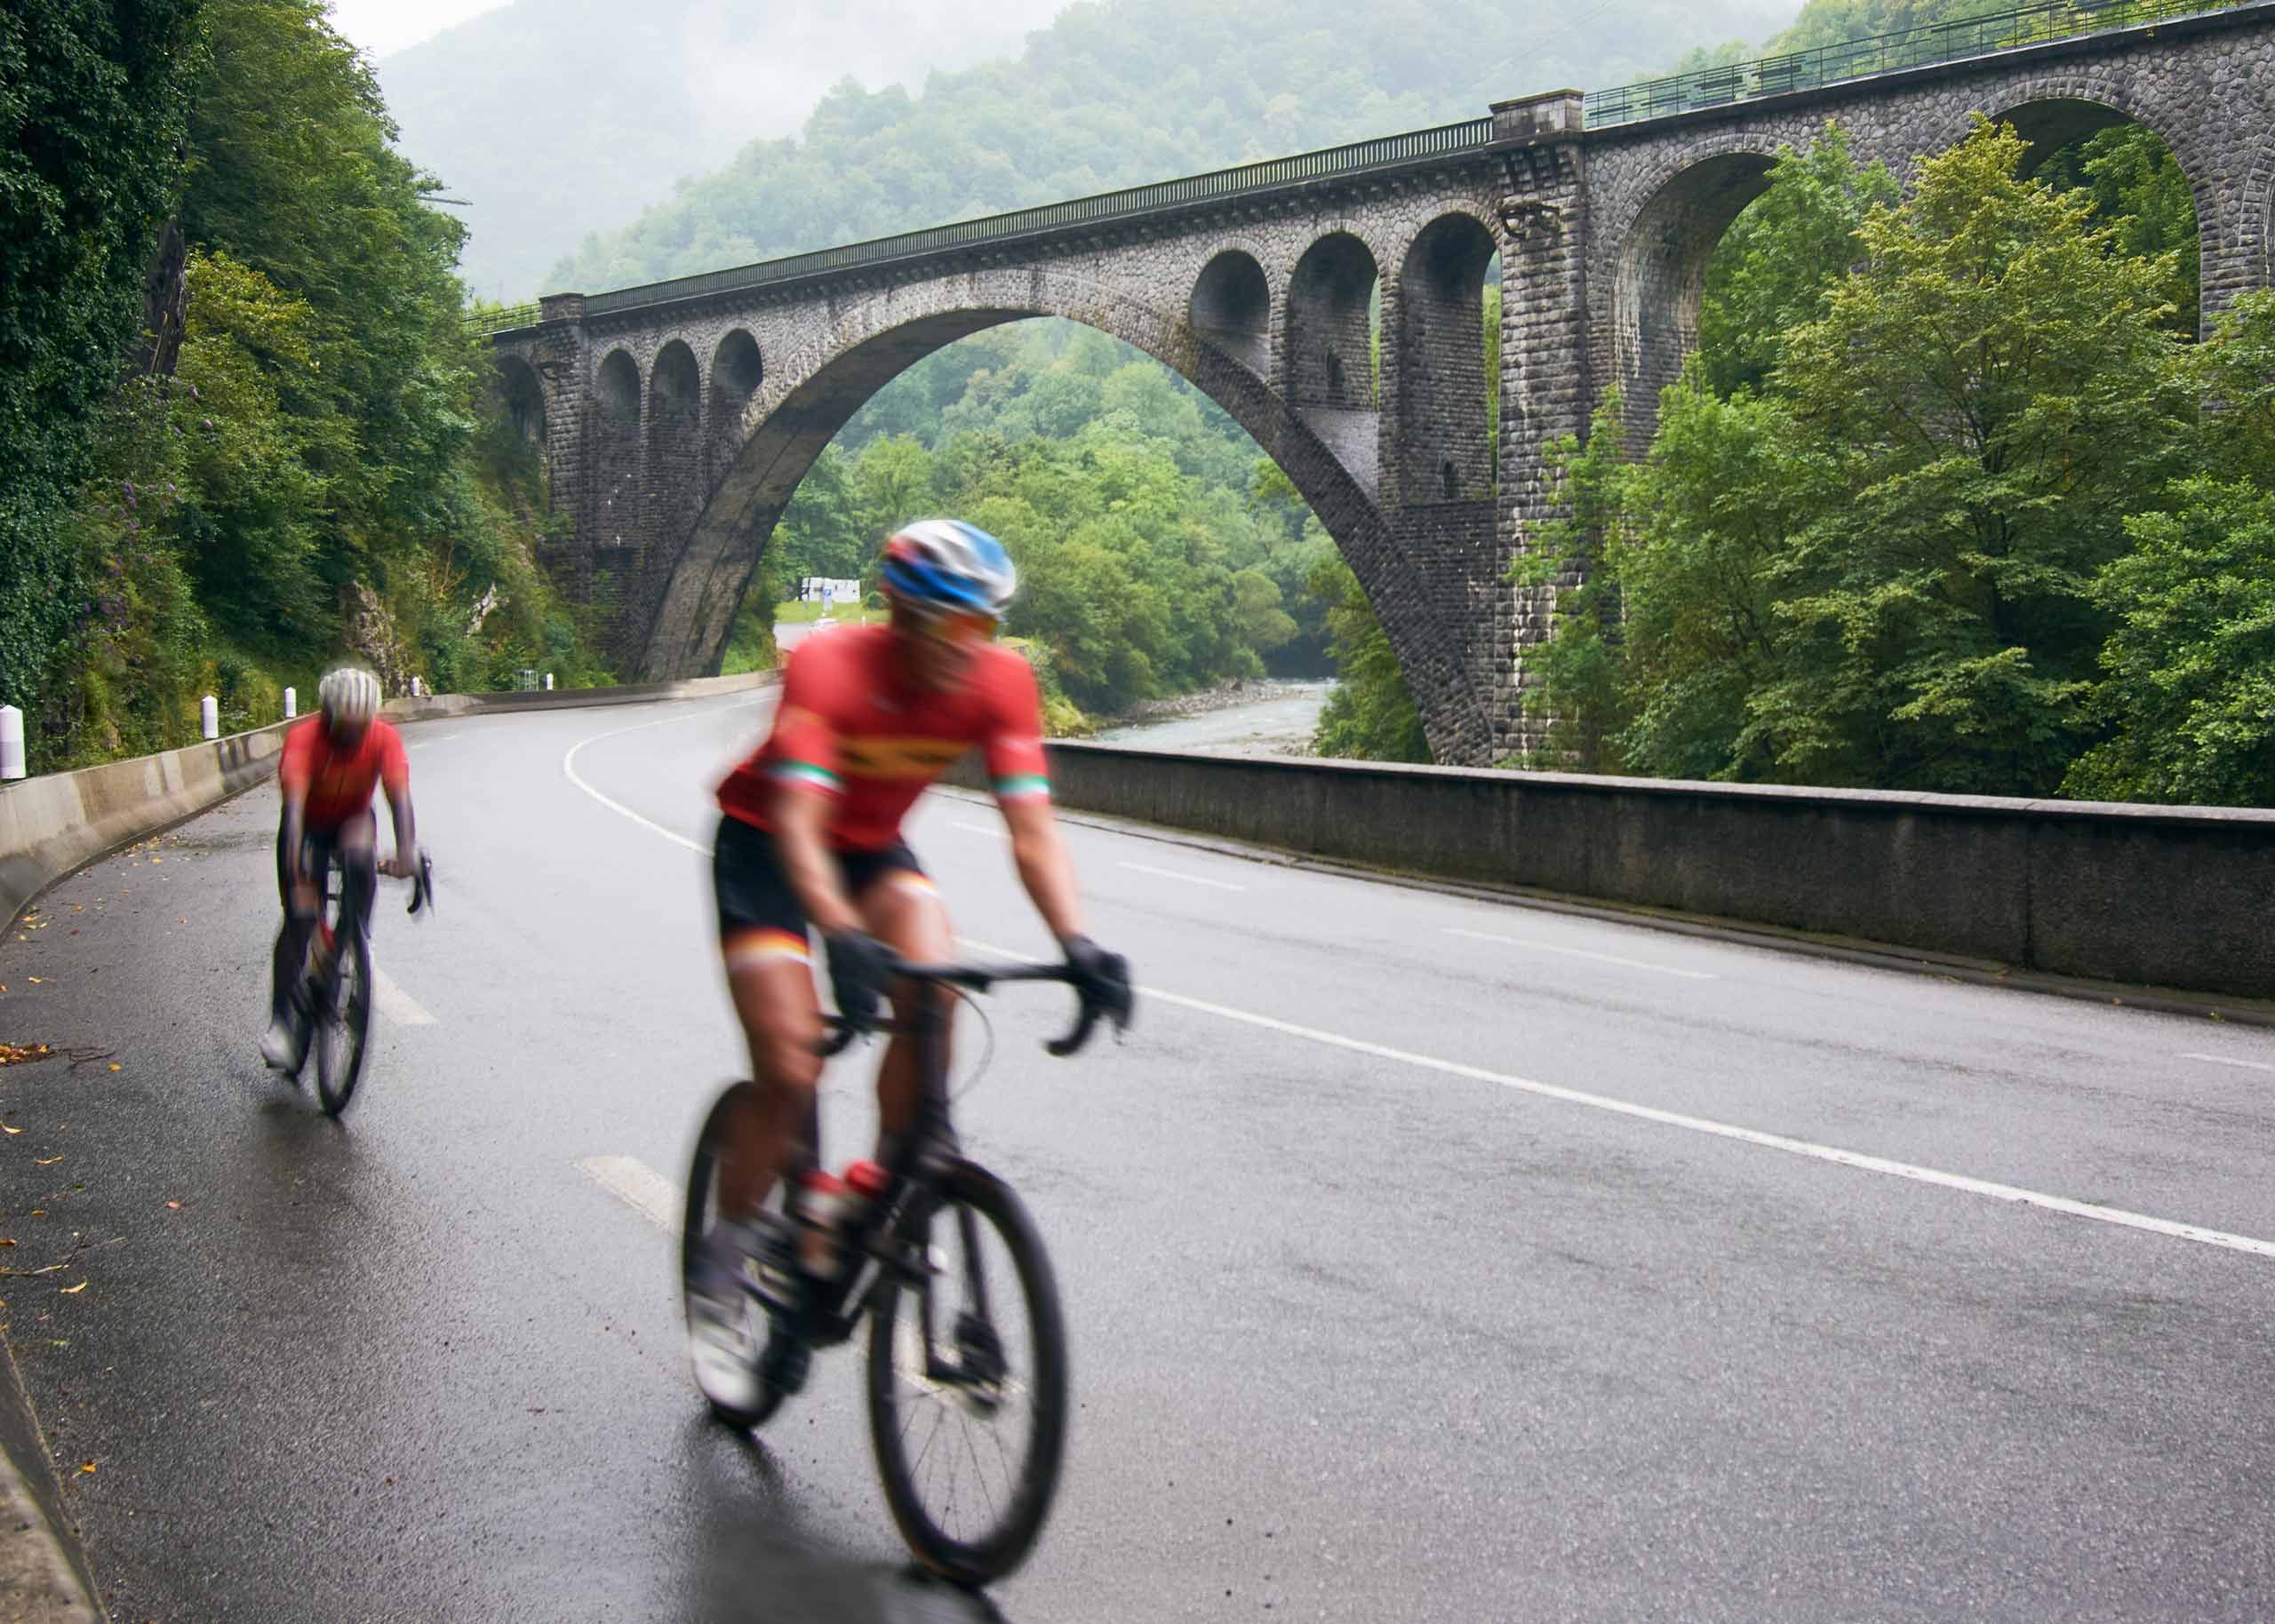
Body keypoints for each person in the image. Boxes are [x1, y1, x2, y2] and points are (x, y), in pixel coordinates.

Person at [689, 518, 1131, 1407]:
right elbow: (800, 826)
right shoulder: (830, 667)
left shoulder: (1001, 682)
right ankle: (725, 1260)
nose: (974, 647)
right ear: (903, 614)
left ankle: (884, 1183)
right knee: (791, 1069)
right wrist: (839, 934)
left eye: (987, 627)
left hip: (871, 850)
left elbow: (1031, 829)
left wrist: (1076, 943)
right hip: (769, 847)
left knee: (935, 987)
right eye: (957, 625)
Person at [259, 666, 419, 1072]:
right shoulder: (304, 740)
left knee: (361, 857)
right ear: (327, 716)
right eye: (344, 726)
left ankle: (353, 939)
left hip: (352, 819)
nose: (352, 735)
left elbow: (399, 799)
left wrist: (406, 852)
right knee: (299, 918)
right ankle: (281, 1023)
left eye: (360, 726)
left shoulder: (383, 738)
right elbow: (293, 813)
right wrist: (296, 874)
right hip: (308, 826)